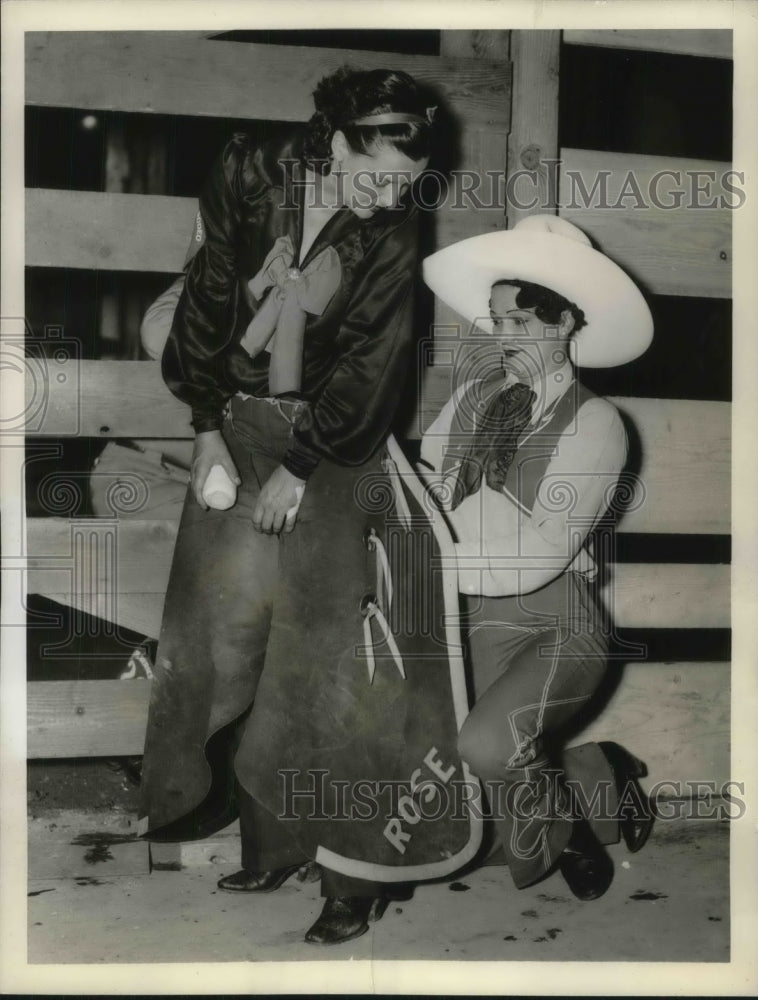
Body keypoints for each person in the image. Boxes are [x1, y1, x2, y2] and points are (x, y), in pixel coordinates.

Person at [137, 66, 438, 945]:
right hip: (237, 416)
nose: (387, 196)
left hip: (339, 436)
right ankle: (268, 838)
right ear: (333, 141)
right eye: (374, 171)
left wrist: (304, 464)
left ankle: (354, 873)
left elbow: (376, 359)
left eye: (405, 184)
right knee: (221, 626)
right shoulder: (248, 169)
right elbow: (205, 297)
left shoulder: (393, 222)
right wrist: (203, 430)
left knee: (329, 648)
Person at [420, 215, 656, 900]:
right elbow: (428, 494)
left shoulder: (597, 422)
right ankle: (599, 779)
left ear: (563, 324)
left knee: (487, 749)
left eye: (521, 321)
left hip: (555, 625)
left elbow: (542, 553)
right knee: (450, 795)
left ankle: (574, 833)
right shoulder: (469, 400)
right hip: (463, 615)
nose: (505, 338)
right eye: (497, 322)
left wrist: (431, 568)